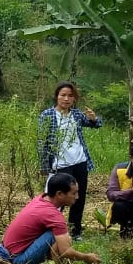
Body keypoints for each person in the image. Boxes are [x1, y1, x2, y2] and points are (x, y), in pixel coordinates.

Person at [0, 172, 102, 264]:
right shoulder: (54, 216)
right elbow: (65, 251)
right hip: (16, 260)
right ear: (59, 194)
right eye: (73, 193)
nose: (77, 197)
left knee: (61, 236)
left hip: (5, 251)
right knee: (56, 236)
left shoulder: (41, 199)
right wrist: (86, 257)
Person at [37, 81, 101, 240]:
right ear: (56, 96)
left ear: (74, 98)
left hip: (80, 162)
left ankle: (75, 231)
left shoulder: (76, 114)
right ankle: (53, 231)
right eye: (63, 95)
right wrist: (44, 165)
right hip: (60, 164)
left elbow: (95, 125)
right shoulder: (47, 115)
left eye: (70, 96)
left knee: (78, 198)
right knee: (58, 198)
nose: (66, 99)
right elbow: (41, 142)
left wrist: (94, 119)